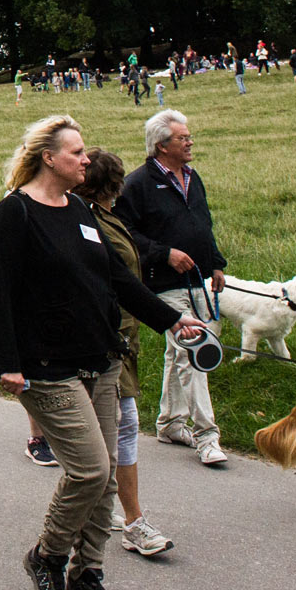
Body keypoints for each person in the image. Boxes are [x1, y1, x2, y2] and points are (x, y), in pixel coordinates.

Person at [0, 115, 202, 590]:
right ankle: (48, 556)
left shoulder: (81, 210)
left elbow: (118, 281)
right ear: (49, 158)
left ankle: (87, 576)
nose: (86, 159)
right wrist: (7, 363)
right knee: (90, 471)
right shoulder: (13, 215)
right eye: (77, 152)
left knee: (104, 480)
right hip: (45, 367)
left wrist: (170, 319)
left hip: (101, 362)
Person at [74, 148, 174, 557]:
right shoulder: (87, 221)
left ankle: (107, 512)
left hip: (122, 341)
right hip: (103, 345)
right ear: (114, 183)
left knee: (118, 430)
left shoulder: (106, 217)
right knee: (114, 431)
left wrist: (166, 318)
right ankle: (130, 522)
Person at [116, 108, 229, 468]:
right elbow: (123, 233)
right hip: (162, 285)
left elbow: (203, 222)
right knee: (194, 351)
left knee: (177, 353)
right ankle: (207, 436)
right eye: (183, 138)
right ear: (162, 146)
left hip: (197, 280)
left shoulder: (193, 177)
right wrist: (163, 254)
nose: (190, 142)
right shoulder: (138, 184)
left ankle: (169, 422)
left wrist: (215, 262)